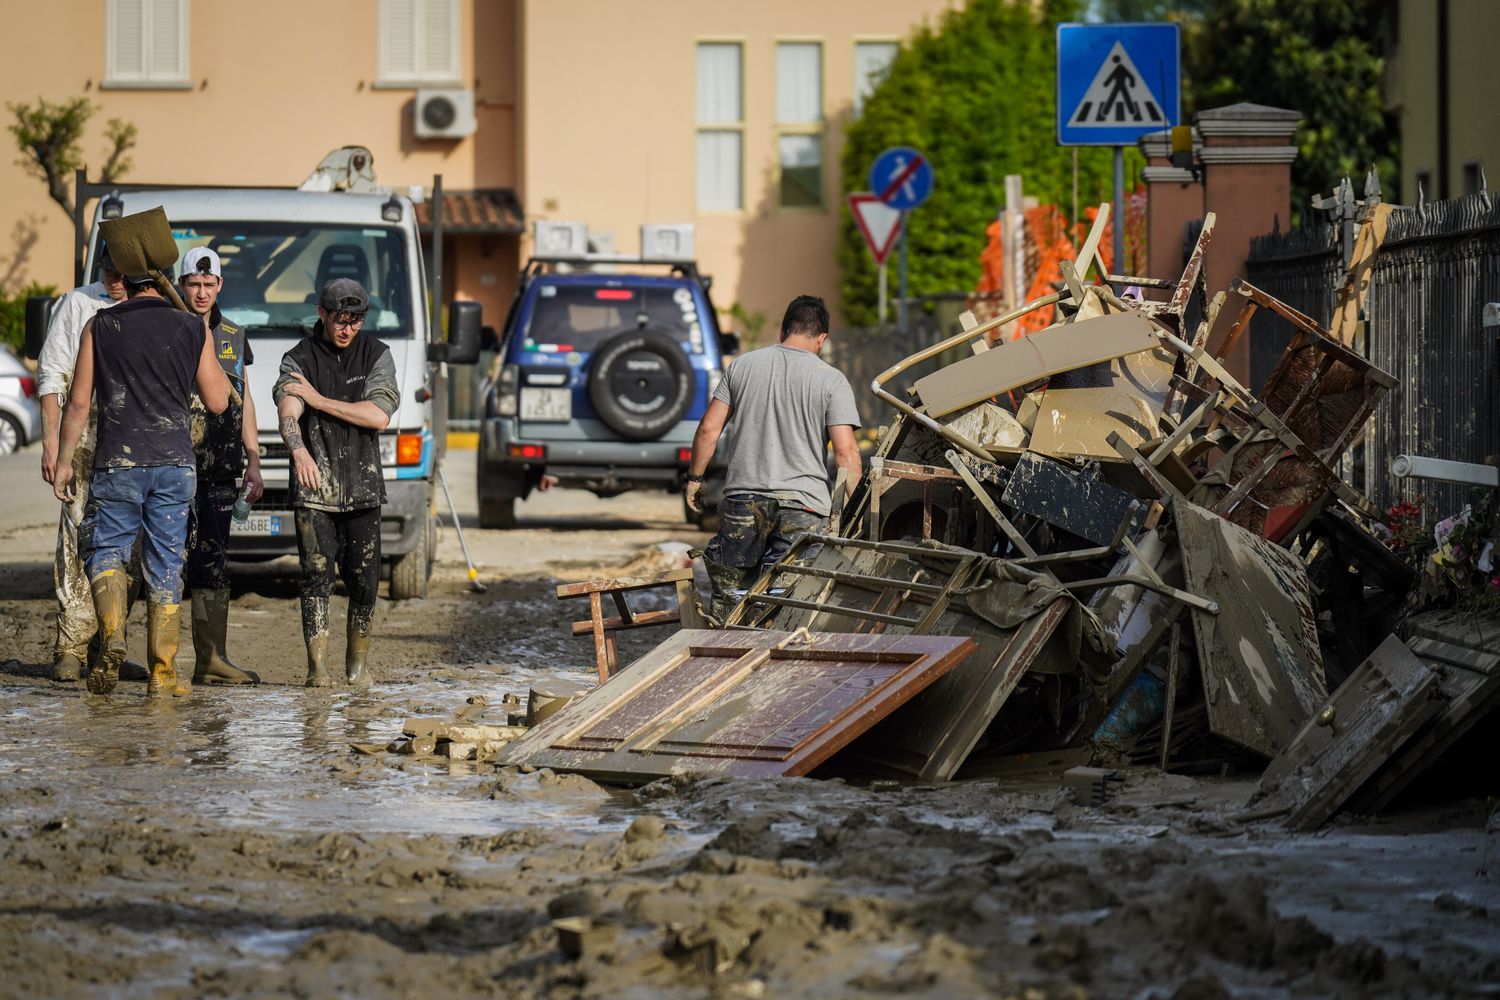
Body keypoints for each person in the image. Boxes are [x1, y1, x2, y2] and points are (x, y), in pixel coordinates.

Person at [53, 270, 232, 697]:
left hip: (118, 460)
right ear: (165, 280)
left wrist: (63, 460)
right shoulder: (192, 326)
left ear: (126, 283)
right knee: (166, 562)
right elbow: (217, 401)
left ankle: (112, 634)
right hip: (174, 463)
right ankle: (163, 672)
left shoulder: (101, 324)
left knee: (104, 550)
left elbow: (79, 401)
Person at [685, 294, 863, 621]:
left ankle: (723, 659)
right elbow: (846, 452)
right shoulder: (832, 380)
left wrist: (695, 479)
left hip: (743, 500)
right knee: (790, 601)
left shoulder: (742, 366)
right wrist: (858, 511)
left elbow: (709, 428)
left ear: (783, 330)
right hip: (805, 506)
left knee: (731, 595)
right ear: (822, 339)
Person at [273, 278, 399, 687]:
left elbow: (378, 415)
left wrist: (321, 400)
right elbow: (289, 408)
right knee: (316, 577)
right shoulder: (299, 357)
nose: (347, 330)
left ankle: (357, 667)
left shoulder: (377, 354)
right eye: (340, 320)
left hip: (363, 490)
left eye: (356, 321)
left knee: (365, 583)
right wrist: (298, 450)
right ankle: (318, 668)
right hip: (315, 493)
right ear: (322, 315)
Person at [36, 249, 129, 682]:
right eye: (108, 271)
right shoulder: (78, 304)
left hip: (136, 444)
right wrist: (53, 445)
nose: (114, 280)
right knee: (76, 539)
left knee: (129, 548)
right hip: (85, 440)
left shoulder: (154, 308)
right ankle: (69, 647)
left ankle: (108, 642)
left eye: (122, 273)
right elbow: (53, 375)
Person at [179, 247, 264, 685]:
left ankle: (211, 659)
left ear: (220, 286)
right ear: (181, 284)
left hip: (220, 466)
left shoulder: (233, 332)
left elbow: (243, 398)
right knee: (164, 562)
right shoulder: (169, 327)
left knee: (213, 561)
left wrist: (253, 458)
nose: (201, 292)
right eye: (194, 284)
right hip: (171, 465)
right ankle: (152, 659)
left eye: (209, 285)